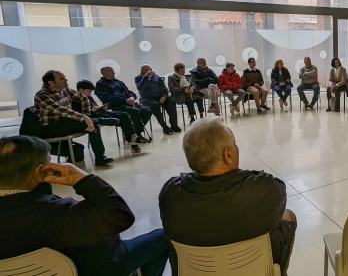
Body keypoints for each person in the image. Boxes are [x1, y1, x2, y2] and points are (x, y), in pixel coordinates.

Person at [0, 135, 170, 276]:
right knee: (164, 236)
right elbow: (120, 215)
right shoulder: (59, 216)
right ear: (40, 172)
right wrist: (82, 178)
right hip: (101, 267)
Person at [159, 118, 297, 273]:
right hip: (256, 270)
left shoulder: (170, 194)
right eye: (235, 145)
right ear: (228, 154)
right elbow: (279, 196)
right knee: (288, 216)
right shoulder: (262, 189)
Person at [34, 70, 113, 166]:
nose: (66, 79)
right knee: (91, 122)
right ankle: (99, 120)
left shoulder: (65, 89)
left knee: (93, 125)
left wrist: (86, 115)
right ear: (51, 82)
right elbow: (60, 110)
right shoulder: (42, 95)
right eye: (62, 78)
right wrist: (84, 118)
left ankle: (100, 157)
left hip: (67, 122)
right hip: (52, 127)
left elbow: (83, 98)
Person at [75, 80, 141, 154]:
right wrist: (91, 110)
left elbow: (95, 106)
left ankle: (132, 140)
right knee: (121, 119)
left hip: (101, 112)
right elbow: (80, 114)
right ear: (81, 90)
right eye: (89, 91)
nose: (90, 94)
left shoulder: (89, 97)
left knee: (124, 115)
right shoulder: (75, 100)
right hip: (93, 116)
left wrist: (102, 107)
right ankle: (130, 137)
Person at [95, 67, 151, 143]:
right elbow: (106, 98)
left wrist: (132, 97)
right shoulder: (100, 84)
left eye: (113, 71)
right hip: (116, 106)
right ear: (104, 73)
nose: (114, 73)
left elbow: (129, 92)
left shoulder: (118, 82)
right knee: (135, 111)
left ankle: (133, 132)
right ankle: (136, 135)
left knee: (147, 111)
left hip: (128, 103)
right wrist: (125, 100)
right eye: (111, 71)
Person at [135, 65, 180, 135]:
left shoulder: (157, 77)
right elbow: (140, 88)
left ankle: (174, 125)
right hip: (147, 99)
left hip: (160, 97)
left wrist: (164, 96)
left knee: (171, 102)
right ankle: (164, 126)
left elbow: (165, 90)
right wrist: (145, 77)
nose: (143, 71)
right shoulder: (138, 78)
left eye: (145, 70)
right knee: (155, 105)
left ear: (151, 70)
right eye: (142, 70)